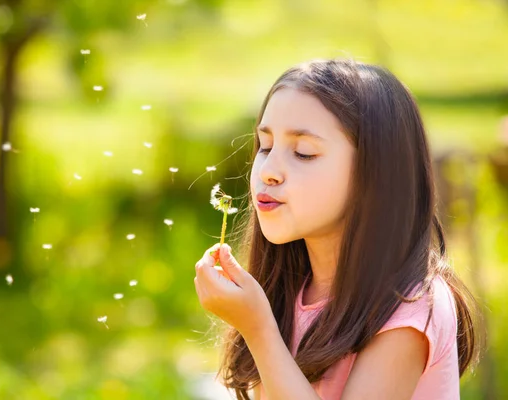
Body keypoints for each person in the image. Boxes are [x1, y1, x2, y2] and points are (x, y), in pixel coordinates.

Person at [193, 59, 483, 400]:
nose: (269, 170)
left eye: (303, 153)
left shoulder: (410, 307)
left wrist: (258, 329)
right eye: (266, 146)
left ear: (374, 174)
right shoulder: (287, 291)